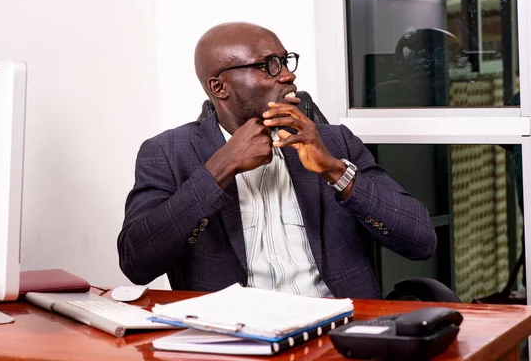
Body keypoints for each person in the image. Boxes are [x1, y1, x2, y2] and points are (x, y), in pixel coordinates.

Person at [117, 22, 437, 299]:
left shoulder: (335, 141)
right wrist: (220, 169)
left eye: (285, 61)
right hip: (235, 340)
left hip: (339, 334)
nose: (288, 74)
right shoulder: (168, 152)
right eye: (269, 65)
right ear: (219, 87)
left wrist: (335, 171)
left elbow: (421, 241)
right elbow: (137, 262)